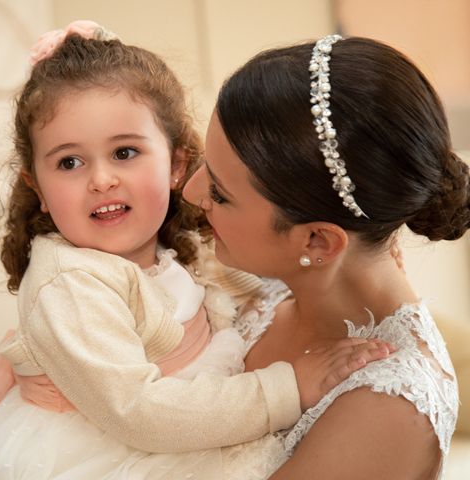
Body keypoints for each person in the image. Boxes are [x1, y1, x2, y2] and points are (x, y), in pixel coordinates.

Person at [0, 22, 391, 480]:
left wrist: (352, 267)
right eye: (69, 162)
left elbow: (258, 284)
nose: (101, 179)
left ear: (176, 164)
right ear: (39, 188)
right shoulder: (68, 283)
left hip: (179, 425)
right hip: (112, 449)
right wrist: (291, 386)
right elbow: (136, 411)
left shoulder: (180, 246)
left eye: (125, 153)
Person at [182, 34, 467, 479]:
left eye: (219, 192)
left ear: (317, 241)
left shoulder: (389, 409)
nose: (190, 191)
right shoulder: (281, 279)